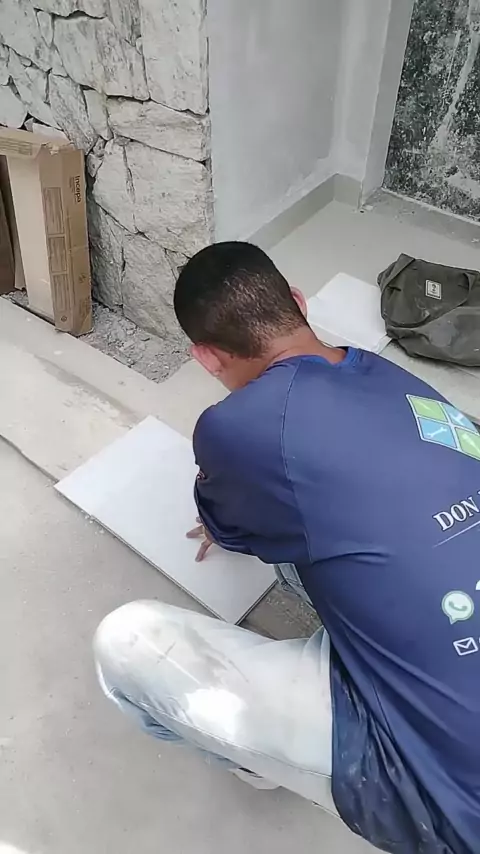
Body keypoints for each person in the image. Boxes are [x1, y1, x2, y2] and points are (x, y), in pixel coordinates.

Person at [94, 242, 480, 853]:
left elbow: (226, 525)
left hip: (446, 794)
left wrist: (224, 503)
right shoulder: (391, 377)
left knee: (126, 643)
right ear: (298, 302)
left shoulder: (233, 427)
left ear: (206, 357)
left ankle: (257, 759)